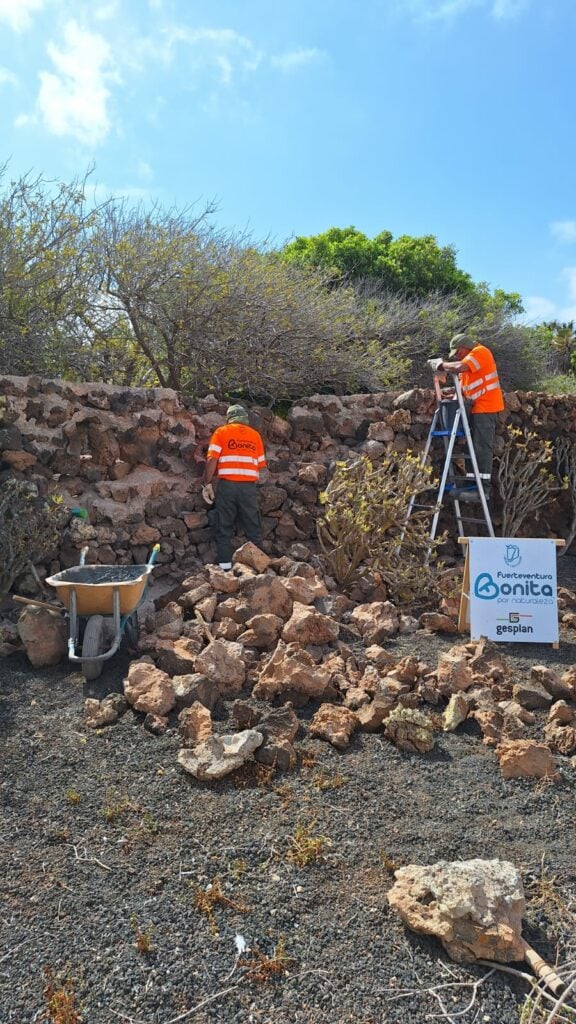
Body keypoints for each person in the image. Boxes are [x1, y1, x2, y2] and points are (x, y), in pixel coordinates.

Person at [432, 333, 504, 500]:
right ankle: (472, 485)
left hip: (486, 407)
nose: (457, 356)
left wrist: (440, 365)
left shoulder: (480, 352)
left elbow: (459, 367)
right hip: (475, 408)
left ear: (465, 347)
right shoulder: (468, 361)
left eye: (458, 352)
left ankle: (482, 489)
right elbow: (465, 388)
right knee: (471, 448)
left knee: (481, 447)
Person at [202, 404, 267, 569]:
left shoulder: (221, 432)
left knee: (224, 526)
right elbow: (260, 464)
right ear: (245, 418)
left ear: (229, 418)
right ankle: (259, 568)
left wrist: (206, 483)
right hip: (248, 488)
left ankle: (225, 568)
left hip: (227, 486)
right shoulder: (255, 436)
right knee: (253, 527)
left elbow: (212, 459)